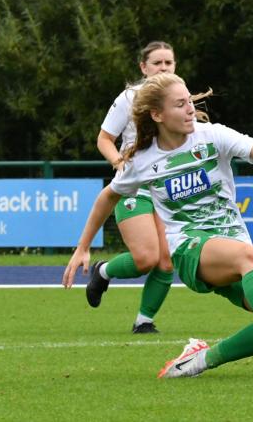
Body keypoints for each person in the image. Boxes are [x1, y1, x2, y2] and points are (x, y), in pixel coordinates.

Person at [64, 73, 253, 377]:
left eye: (189, 101)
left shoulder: (211, 136)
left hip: (234, 247)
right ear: (157, 115)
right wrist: (83, 247)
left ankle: (199, 360)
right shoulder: (143, 160)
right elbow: (108, 196)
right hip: (189, 249)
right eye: (179, 104)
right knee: (250, 259)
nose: (190, 110)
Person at [88, 41, 177, 334]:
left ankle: (144, 321)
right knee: (146, 258)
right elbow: (104, 139)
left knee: (166, 261)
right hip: (135, 185)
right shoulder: (130, 97)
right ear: (143, 67)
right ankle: (103, 270)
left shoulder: (179, 97)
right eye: (157, 63)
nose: (163, 68)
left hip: (166, 187)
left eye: (168, 63)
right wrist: (118, 162)